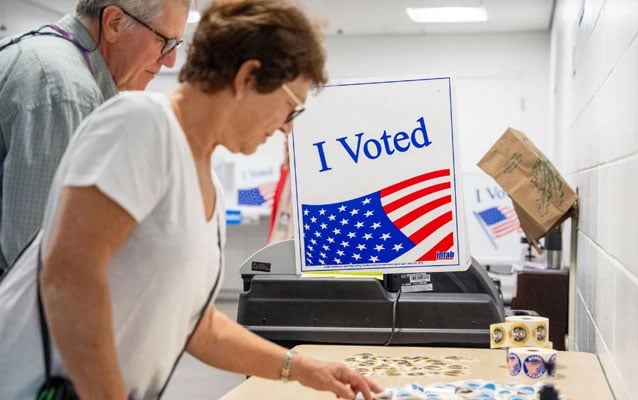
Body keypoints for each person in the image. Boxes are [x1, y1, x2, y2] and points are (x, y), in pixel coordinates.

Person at [0, 0, 382, 399]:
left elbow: (197, 325)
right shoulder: (140, 122)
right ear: (248, 77)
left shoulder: (206, 187)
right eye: (290, 107)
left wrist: (301, 368)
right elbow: (69, 276)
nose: (286, 129)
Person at [0, 0, 191, 279]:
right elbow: (41, 266)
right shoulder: (64, 89)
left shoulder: (45, 58)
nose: (171, 60)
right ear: (113, 23)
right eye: (165, 41)